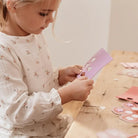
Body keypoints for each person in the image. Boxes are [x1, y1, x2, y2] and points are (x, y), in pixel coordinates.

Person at [0, 0, 94, 137]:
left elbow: (35, 78)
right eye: (44, 13)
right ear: (13, 5)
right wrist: (65, 95)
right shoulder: (4, 50)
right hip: (22, 134)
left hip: (49, 126)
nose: (51, 20)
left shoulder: (33, 34)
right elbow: (17, 111)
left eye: (52, 13)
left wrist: (60, 76)